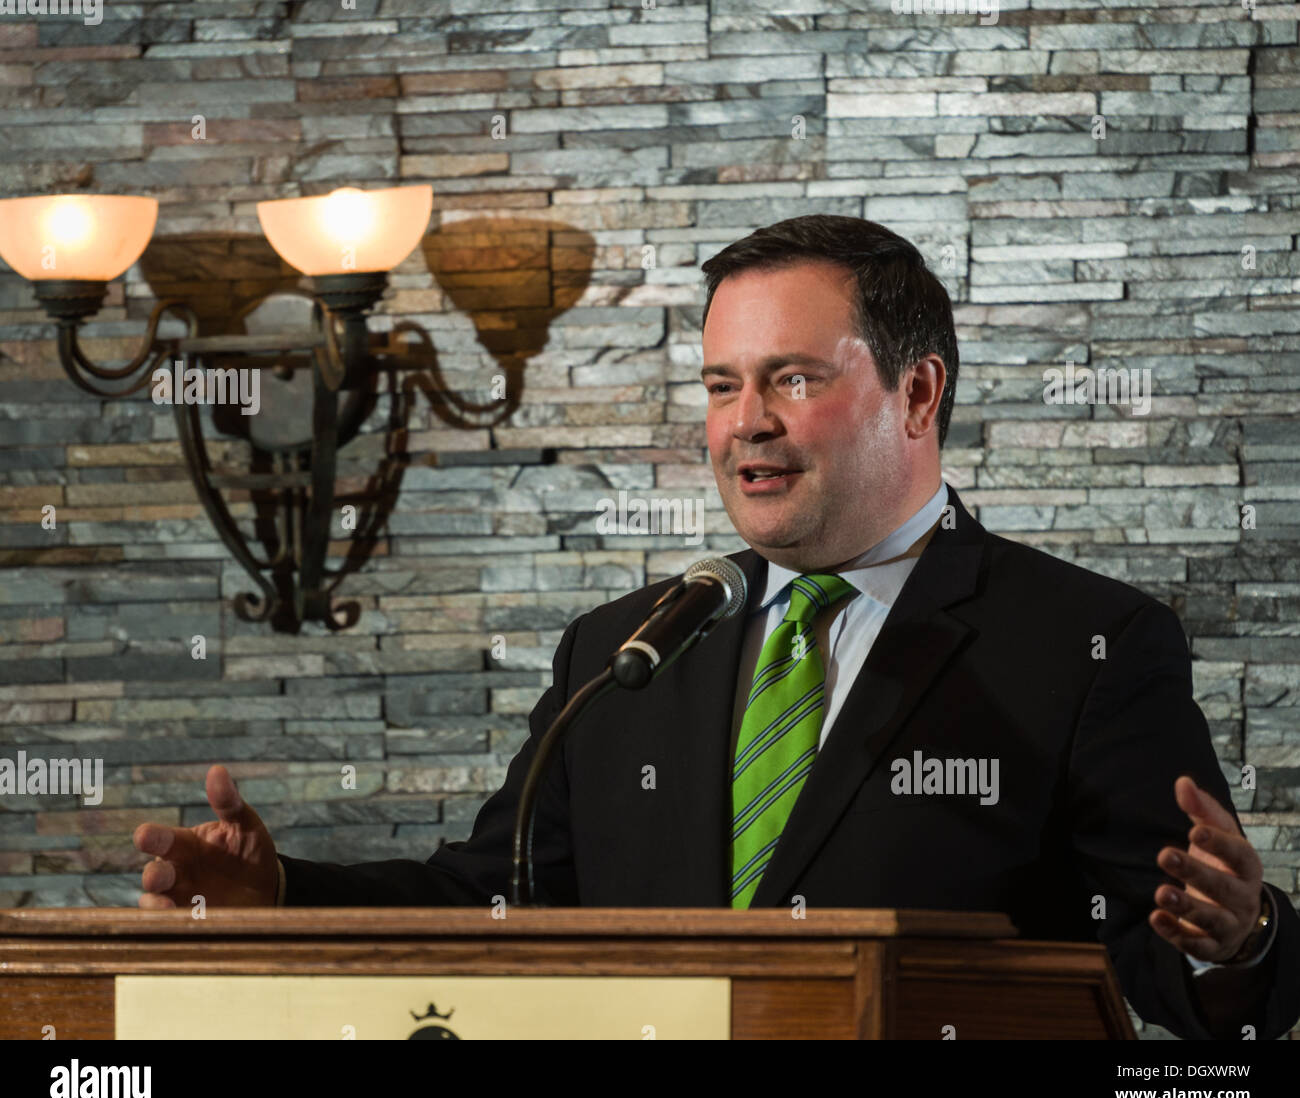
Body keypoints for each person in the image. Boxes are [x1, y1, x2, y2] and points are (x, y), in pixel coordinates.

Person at [134, 215, 1298, 1040]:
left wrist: (1234, 943)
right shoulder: (625, 648)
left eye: (791, 379)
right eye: (720, 384)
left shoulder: (1086, 644)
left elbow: (1177, 967)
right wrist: (285, 894)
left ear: (919, 393)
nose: (746, 424)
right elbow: (490, 899)